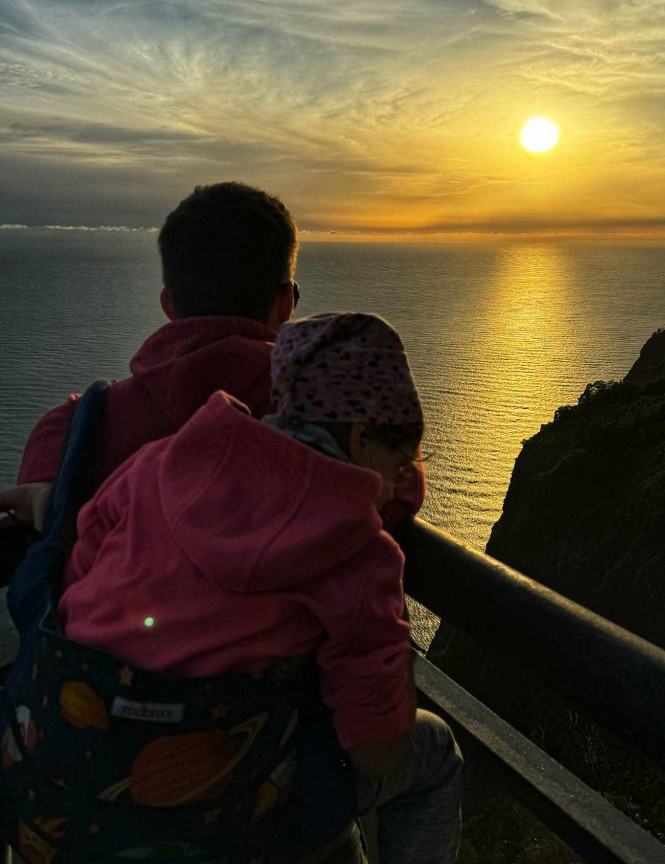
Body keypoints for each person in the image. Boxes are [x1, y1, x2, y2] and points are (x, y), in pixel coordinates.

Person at [5, 313, 462, 864]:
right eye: (397, 463)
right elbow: (376, 753)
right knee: (436, 755)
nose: (392, 486)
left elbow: (83, 559)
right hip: (228, 820)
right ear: (363, 438)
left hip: (58, 784)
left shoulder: (159, 463)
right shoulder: (362, 557)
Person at [0, 181, 423, 546]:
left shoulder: (67, 431)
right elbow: (399, 488)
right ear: (285, 304)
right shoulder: (328, 425)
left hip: (101, 639)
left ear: (168, 304)